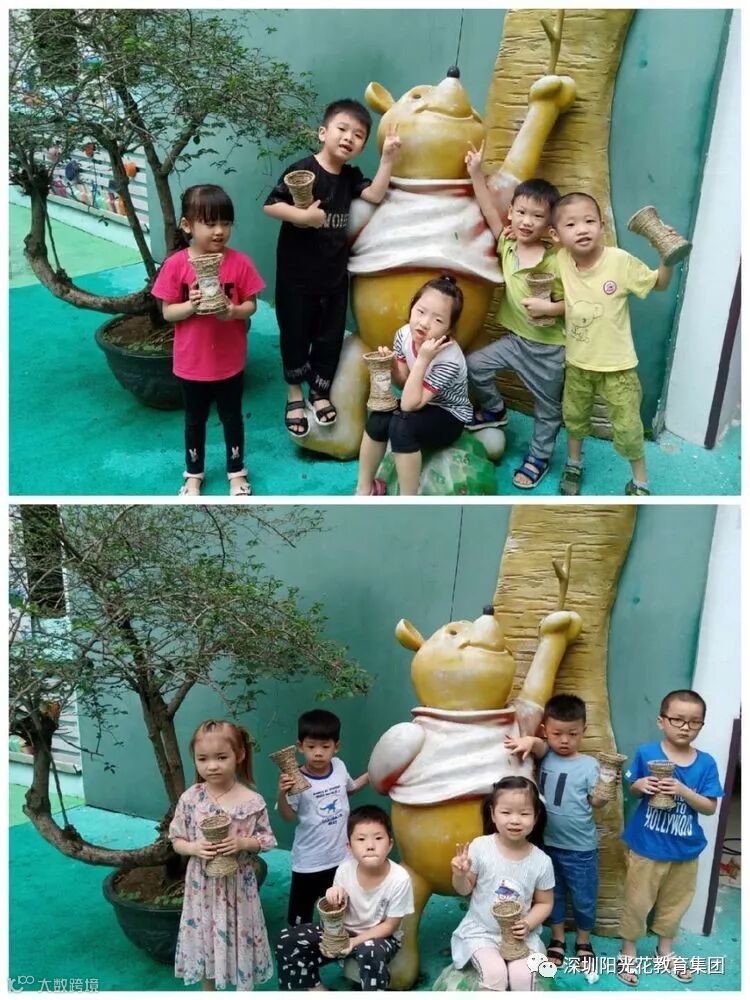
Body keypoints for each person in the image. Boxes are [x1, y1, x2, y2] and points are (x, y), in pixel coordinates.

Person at [264, 99, 400, 438]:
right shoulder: (303, 170)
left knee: (329, 339)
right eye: (342, 129)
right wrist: (303, 216)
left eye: (358, 135)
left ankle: (319, 391)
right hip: (296, 278)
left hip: (334, 279)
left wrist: (387, 159)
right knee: (295, 335)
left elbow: (375, 195)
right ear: (323, 132)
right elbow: (272, 206)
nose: (348, 138)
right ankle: (294, 394)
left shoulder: (351, 177)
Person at [551, 192, 677, 497]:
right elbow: (571, 302)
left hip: (618, 368)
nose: (582, 229)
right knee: (574, 418)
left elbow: (660, 284)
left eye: (589, 221)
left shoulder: (619, 261)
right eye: (571, 224)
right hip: (577, 363)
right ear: (556, 235)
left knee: (629, 426)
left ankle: (640, 482)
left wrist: (666, 257)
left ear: (601, 225)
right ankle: (573, 463)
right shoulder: (561, 260)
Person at [152, 184, 264, 497]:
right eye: (210, 223)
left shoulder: (239, 262)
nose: (219, 231)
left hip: (230, 362)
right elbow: (167, 312)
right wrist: (191, 306)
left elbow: (251, 305)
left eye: (226, 223)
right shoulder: (176, 265)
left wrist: (233, 311)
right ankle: (194, 474)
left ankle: (236, 471)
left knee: (232, 418)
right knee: (194, 420)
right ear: (187, 225)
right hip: (191, 364)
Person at [464, 151, 565, 491]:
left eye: (537, 216)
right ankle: (495, 409)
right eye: (521, 212)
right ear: (511, 212)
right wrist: (475, 172)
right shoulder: (507, 243)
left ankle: (539, 457)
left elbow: (580, 302)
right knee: (475, 365)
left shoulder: (557, 261)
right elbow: (487, 209)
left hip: (549, 349)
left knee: (547, 409)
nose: (526, 221)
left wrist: (551, 308)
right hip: (515, 341)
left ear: (549, 225)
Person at [616, 689, 723, 987]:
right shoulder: (647, 753)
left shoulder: (706, 763)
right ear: (661, 721)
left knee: (675, 905)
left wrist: (683, 791)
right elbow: (632, 789)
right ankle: (628, 951)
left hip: (685, 851)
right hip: (646, 848)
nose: (685, 727)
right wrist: (640, 785)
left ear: (701, 725)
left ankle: (665, 950)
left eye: (694, 722)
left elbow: (710, 807)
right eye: (677, 719)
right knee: (637, 903)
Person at [169, 719, 277, 991]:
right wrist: (193, 848)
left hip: (239, 886)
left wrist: (243, 842)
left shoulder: (252, 801)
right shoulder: (190, 798)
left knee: (240, 935)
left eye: (221, 757)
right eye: (202, 759)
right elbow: (176, 839)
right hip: (202, 886)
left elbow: (267, 840)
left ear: (239, 755)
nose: (212, 766)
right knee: (205, 937)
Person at [505, 694, 609, 972]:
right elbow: (537, 746)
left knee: (584, 898)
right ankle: (558, 939)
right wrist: (528, 742)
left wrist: (605, 790)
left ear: (584, 730)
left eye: (572, 734)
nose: (564, 740)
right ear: (546, 731)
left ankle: (584, 941)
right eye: (557, 733)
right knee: (554, 896)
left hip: (581, 849)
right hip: (547, 846)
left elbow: (596, 802)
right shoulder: (546, 754)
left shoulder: (589, 765)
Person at [355, 274, 473, 496]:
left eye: (438, 320)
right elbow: (403, 383)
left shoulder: (450, 359)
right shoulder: (403, 335)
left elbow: (409, 405)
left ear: (449, 329)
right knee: (380, 416)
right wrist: (392, 366)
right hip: (419, 401)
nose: (424, 323)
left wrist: (423, 359)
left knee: (402, 425)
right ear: (412, 308)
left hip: (449, 415)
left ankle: (408, 499)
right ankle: (364, 489)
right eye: (420, 311)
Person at [276, 804, 414, 991]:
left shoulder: (400, 878)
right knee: (287, 939)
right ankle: (316, 990)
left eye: (378, 838)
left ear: (390, 844)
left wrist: (354, 942)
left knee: (370, 952)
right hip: (342, 933)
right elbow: (336, 910)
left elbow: (390, 926)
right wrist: (333, 896)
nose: (370, 846)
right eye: (361, 839)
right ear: (349, 847)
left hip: (379, 938)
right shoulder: (344, 869)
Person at [450, 776, 555, 991]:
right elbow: (464, 889)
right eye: (506, 812)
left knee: (522, 977)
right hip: (481, 932)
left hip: (520, 936)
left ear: (536, 817)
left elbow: (545, 903)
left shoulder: (542, 861)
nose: (515, 820)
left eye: (524, 813)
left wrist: (528, 924)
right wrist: (460, 875)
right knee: (495, 974)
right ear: (493, 814)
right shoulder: (480, 847)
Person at [276, 708, 369, 927]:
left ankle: (335, 942)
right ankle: (302, 943)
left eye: (325, 747)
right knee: (300, 921)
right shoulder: (296, 780)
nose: (318, 753)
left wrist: (373, 773)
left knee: (339, 912)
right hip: (309, 861)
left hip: (341, 858)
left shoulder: (339, 766)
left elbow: (349, 789)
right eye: (311, 747)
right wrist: (281, 793)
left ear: (336, 747)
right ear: (300, 746)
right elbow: (288, 817)